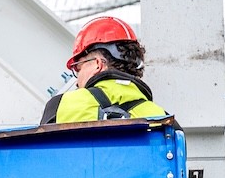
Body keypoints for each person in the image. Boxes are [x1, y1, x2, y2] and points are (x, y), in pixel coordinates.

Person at [39, 16, 169, 124]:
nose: (77, 81)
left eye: (78, 67)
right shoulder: (163, 119)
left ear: (97, 64)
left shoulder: (60, 106)